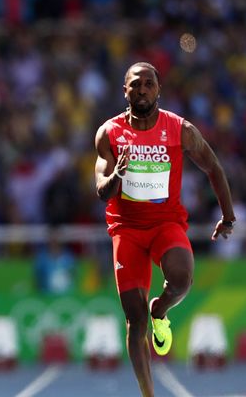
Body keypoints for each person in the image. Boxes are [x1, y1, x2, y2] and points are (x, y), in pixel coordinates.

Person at [94, 62, 235, 396]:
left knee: (183, 279)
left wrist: (227, 216)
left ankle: (161, 310)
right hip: (126, 230)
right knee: (134, 320)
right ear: (124, 90)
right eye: (135, 84)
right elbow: (101, 189)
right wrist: (117, 176)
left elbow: (213, 167)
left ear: (158, 89)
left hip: (165, 224)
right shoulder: (109, 133)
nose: (142, 90)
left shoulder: (180, 129)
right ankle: (148, 393)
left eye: (148, 84)